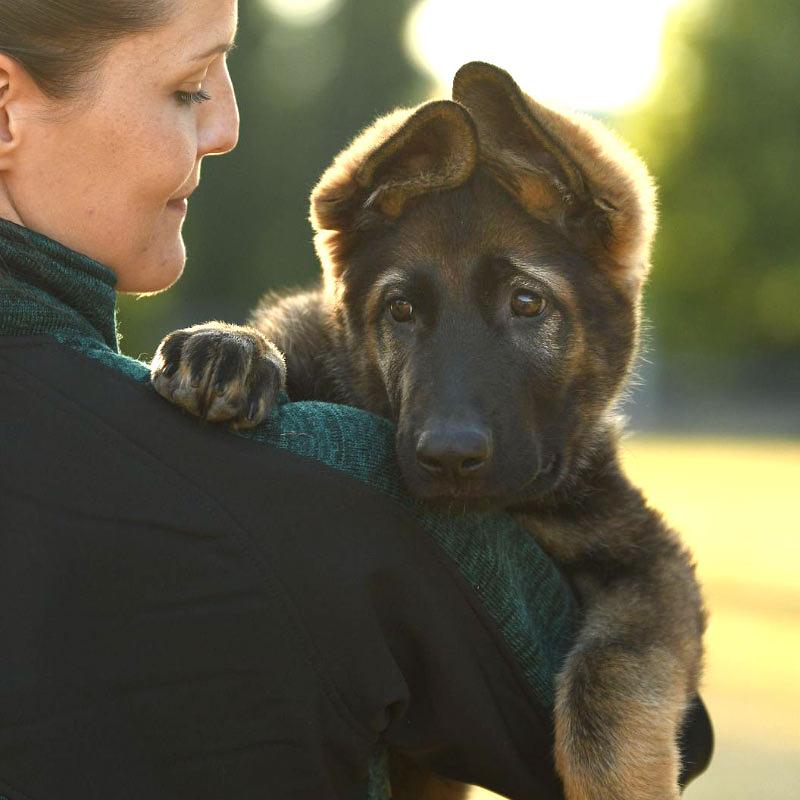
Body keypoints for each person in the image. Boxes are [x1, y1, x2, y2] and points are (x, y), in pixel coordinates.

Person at [0, 2, 711, 799]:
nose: (229, 126)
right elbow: (683, 727)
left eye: (524, 308)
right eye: (188, 87)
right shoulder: (334, 485)